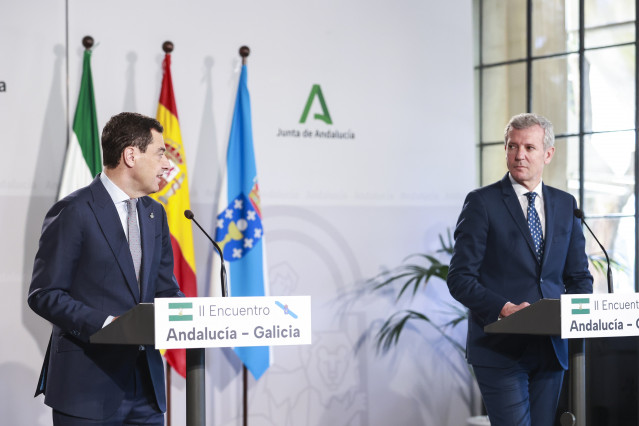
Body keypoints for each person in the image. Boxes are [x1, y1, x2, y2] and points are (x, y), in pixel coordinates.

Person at [28, 112, 184, 425]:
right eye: (160, 153)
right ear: (130, 155)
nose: (169, 164)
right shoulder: (74, 210)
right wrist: (107, 324)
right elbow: (45, 293)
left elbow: (165, 288)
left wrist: (196, 316)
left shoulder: (155, 214)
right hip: (87, 387)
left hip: (146, 391)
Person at [447, 113, 593, 426]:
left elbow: (578, 278)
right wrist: (503, 308)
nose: (519, 155)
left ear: (548, 154)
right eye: (513, 146)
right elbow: (460, 278)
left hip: (552, 348)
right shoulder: (481, 203)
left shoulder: (566, 205)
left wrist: (575, 316)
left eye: (529, 147)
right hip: (500, 349)